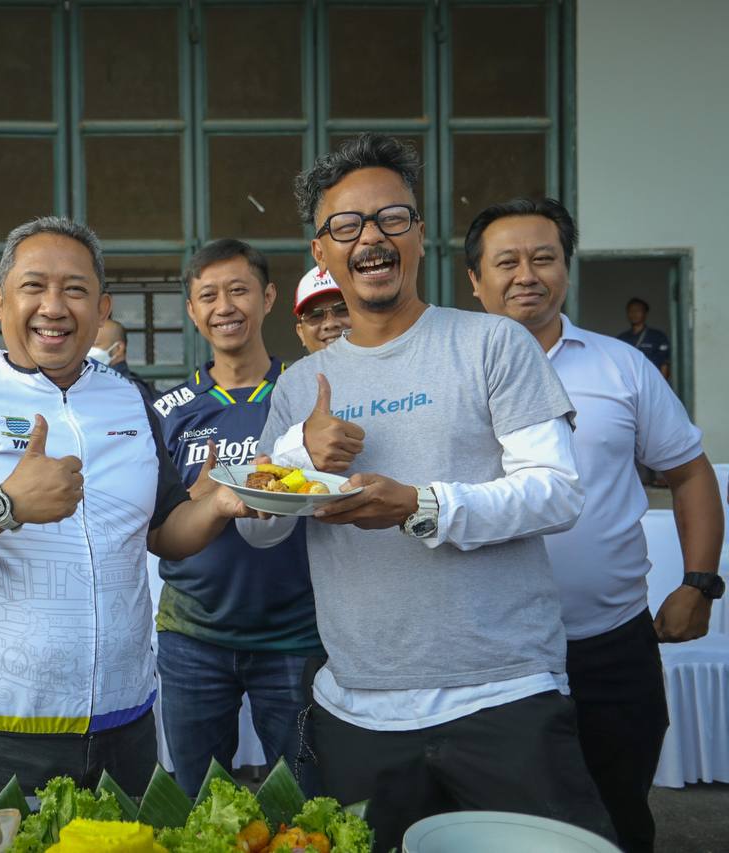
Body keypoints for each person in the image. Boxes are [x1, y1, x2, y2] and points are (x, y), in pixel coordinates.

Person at [238, 135, 614, 850]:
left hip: (504, 697)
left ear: (418, 235)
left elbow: (558, 492)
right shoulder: (297, 387)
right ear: (321, 253)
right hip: (357, 709)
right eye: (346, 226)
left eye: (391, 218)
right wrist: (296, 452)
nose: (370, 237)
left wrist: (421, 504)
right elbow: (260, 528)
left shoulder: (493, 344)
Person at [0, 216, 256, 803]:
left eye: (75, 289)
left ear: (101, 308)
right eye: (34, 287)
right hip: (3, 730)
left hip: (125, 721)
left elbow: (165, 533)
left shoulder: (129, 398)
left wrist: (222, 505)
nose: (54, 306)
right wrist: (5, 505)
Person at [466, 197, 726, 853]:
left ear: (566, 269)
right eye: (507, 261)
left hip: (611, 647)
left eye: (544, 257)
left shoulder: (622, 367)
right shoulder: (451, 373)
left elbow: (691, 472)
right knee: (504, 827)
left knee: (619, 819)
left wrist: (700, 581)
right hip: (489, 655)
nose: (527, 273)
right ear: (475, 280)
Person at [151, 238, 324, 797]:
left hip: (296, 634)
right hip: (192, 636)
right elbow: (155, 522)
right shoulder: (168, 410)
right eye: (208, 295)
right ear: (193, 310)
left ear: (268, 297)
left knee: (301, 801)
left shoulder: (305, 395)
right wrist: (197, 500)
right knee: (197, 803)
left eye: (238, 290)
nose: (224, 306)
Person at [89, 317, 156, 405]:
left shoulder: (129, 390)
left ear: (118, 349)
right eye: (86, 345)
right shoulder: (92, 382)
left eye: (94, 345)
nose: (87, 351)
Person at [292, 266, 350, 353]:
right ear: (301, 333)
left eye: (342, 310)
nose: (330, 324)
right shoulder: (296, 367)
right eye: (316, 315)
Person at [617, 297, 671, 379]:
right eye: (631, 311)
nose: (634, 313)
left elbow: (664, 365)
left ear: (645, 313)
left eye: (637, 310)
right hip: (630, 384)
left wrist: (660, 386)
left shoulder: (658, 336)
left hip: (651, 381)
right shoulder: (621, 338)